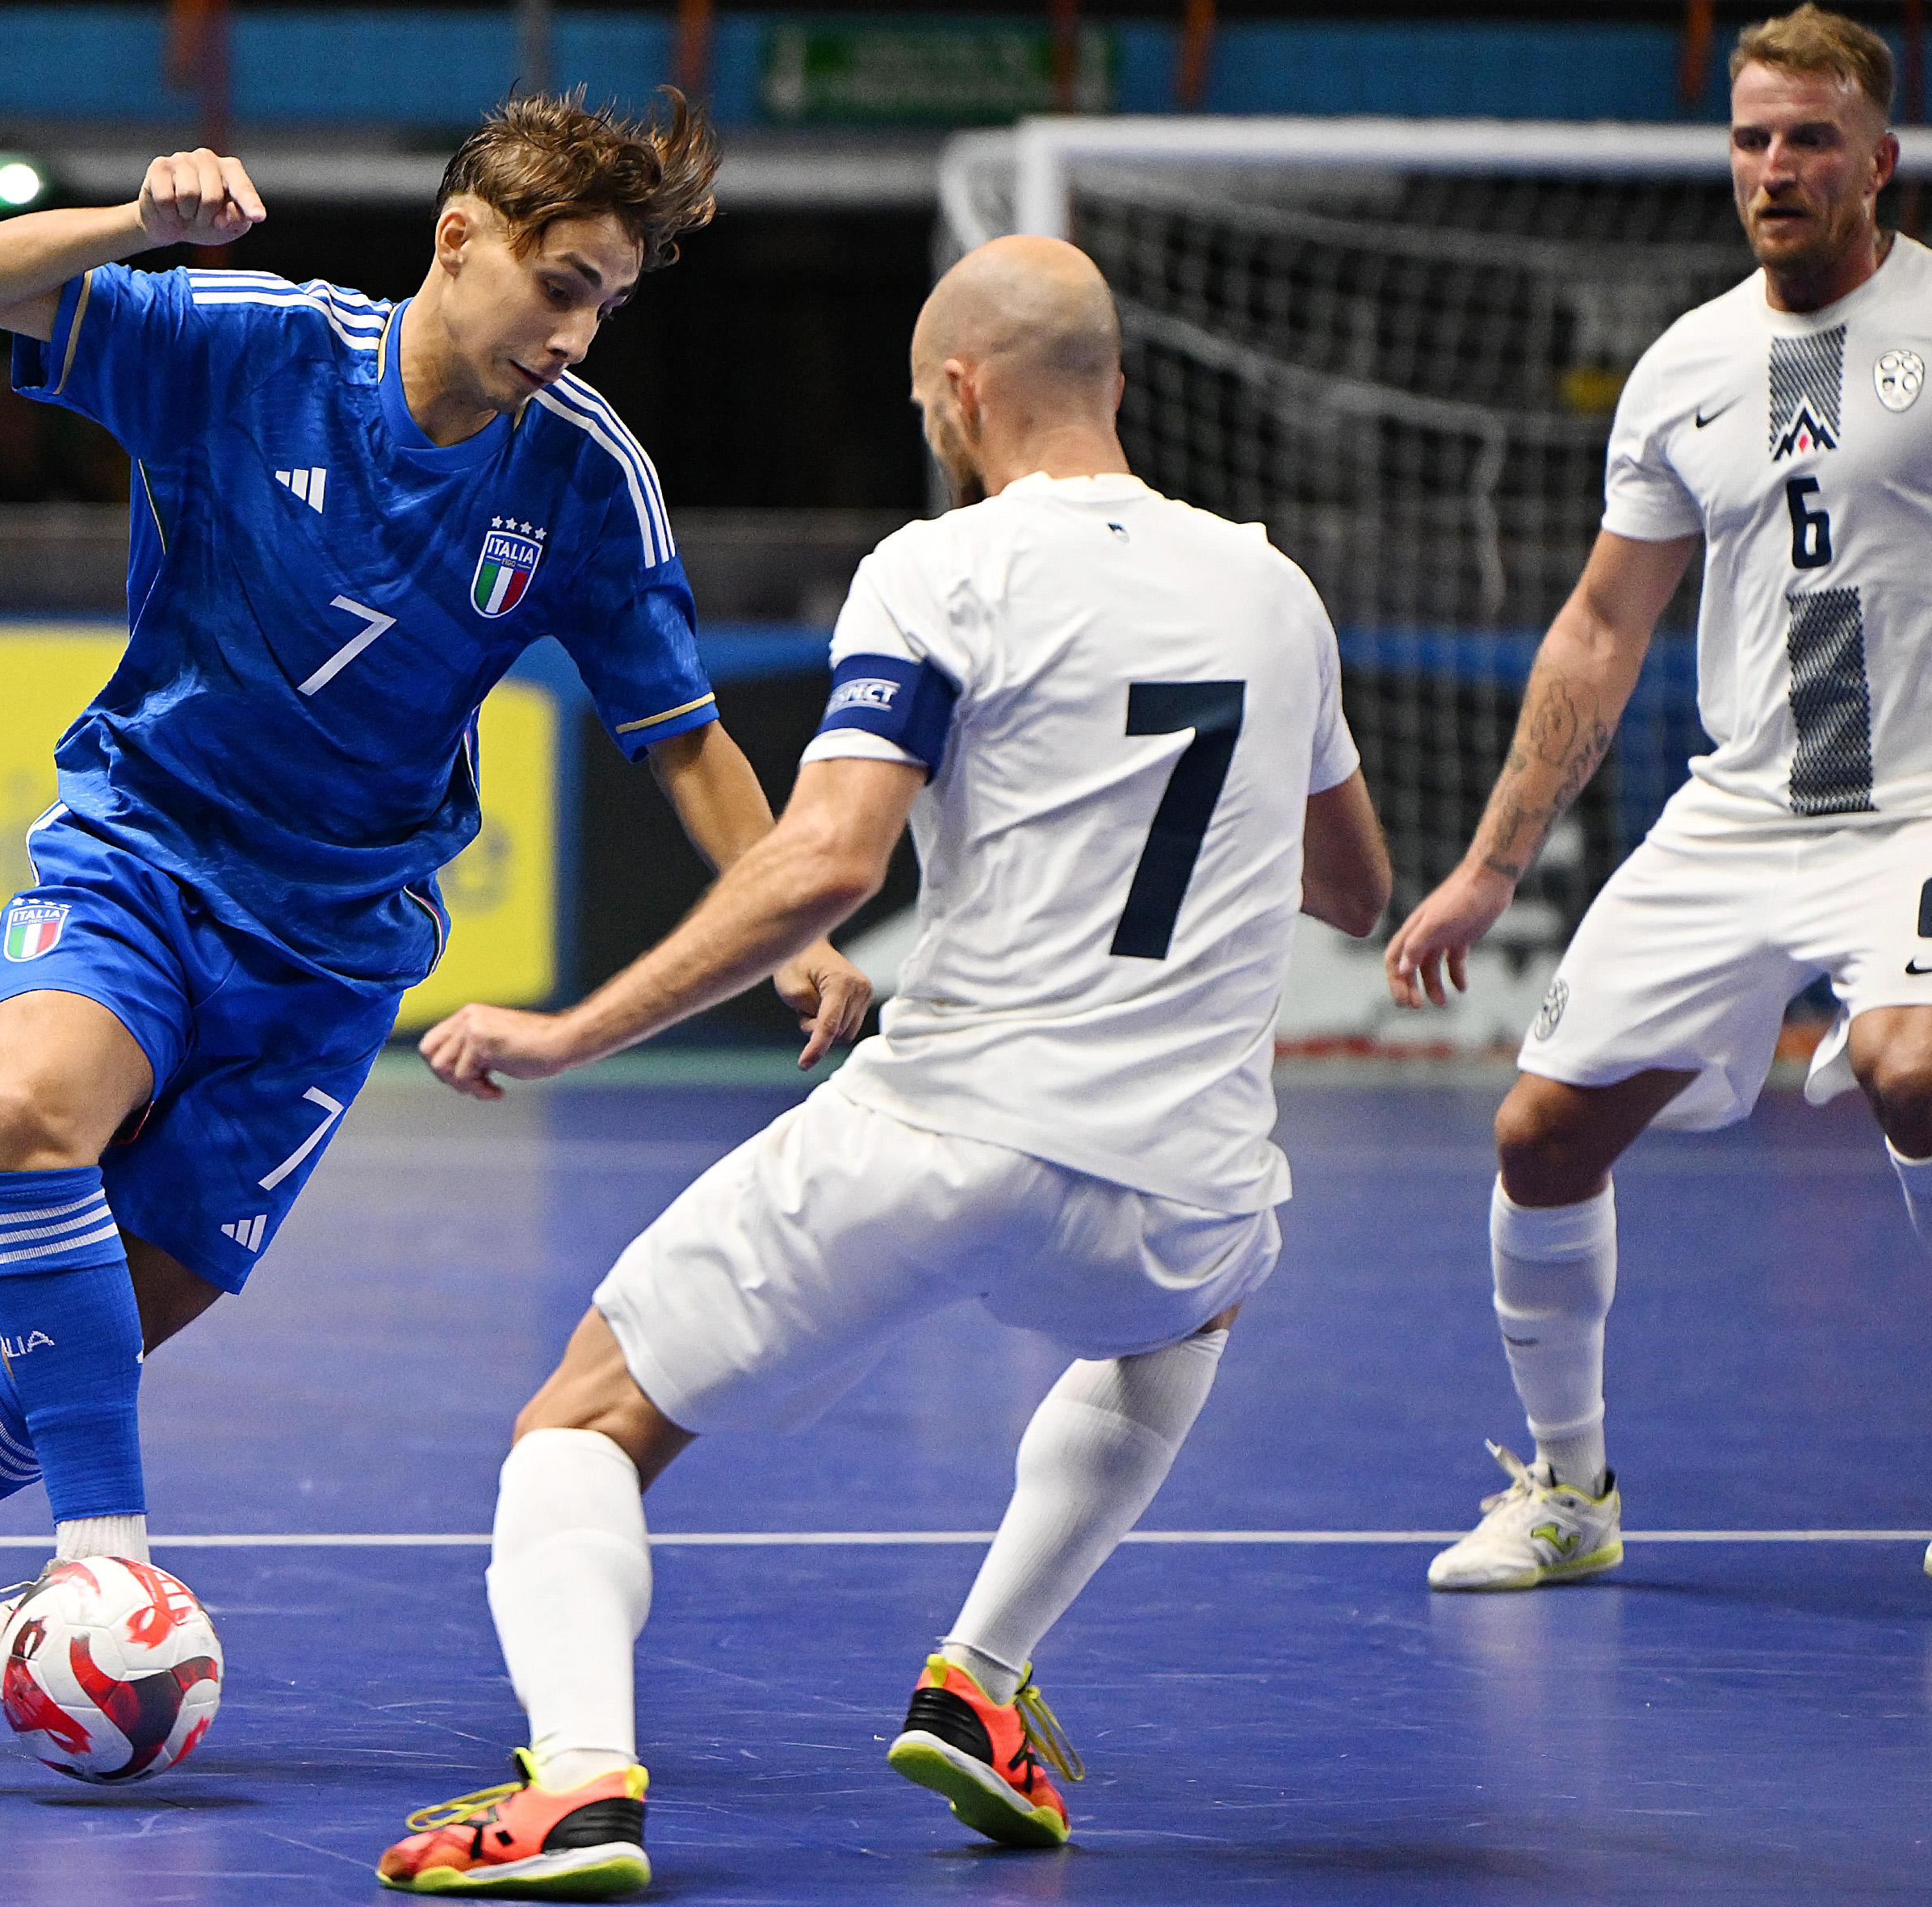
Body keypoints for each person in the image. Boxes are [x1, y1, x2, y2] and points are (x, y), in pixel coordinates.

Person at [0, 90, 874, 1756]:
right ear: (460, 239)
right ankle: (105, 1567)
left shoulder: (585, 481)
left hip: (331, 947)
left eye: (608, 303)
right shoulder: (248, 343)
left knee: (73, 1344)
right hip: (142, 845)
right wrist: (138, 223)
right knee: (27, 1106)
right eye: (561, 284)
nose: (579, 333)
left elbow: (682, 739)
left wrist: (780, 913)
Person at [372, 235, 1391, 1896]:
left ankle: (573, 1782)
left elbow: (831, 858)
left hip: (954, 1129)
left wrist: (568, 1028)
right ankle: (981, 1677)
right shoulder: (1273, 590)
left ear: (960, 394)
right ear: (1113, 381)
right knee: (1196, 1302)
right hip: (1178, 1182)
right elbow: (1349, 887)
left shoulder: (942, 567)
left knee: (584, 1418)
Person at [1388, 3, 1932, 1594]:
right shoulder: (1683, 366)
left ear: (1876, 158)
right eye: (1752, 137)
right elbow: (1599, 625)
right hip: (1733, 811)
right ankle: (1570, 1493)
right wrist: (1489, 864)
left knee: (1915, 1071)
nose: (1774, 167)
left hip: (1910, 804)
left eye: (1808, 137)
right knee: (1538, 1135)